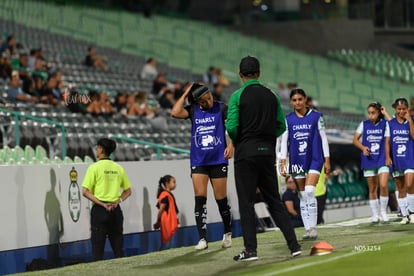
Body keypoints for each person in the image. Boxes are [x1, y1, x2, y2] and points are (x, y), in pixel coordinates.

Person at [226, 56, 301, 261]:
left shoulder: (237, 96)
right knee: (274, 201)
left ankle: (250, 251)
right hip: (267, 153)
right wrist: (266, 139)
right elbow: (281, 126)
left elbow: (231, 126)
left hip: (245, 154)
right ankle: (294, 246)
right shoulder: (272, 95)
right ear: (259, 73)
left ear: (240, 74)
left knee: (247, 203)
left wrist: (239, 139)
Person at [171, 82, 233, 250]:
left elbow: (233, 128)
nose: (210, 101)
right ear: (199, 101)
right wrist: (186, 93)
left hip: (218, 159)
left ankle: (227, 232)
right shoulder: (193, 110)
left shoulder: (221, 108)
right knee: (200, 199)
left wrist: (231, 145)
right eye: (205, 100)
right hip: (199, 161)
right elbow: (175, 112)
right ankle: (203, 239)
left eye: (210, 97)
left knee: (221, 200)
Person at [279, 88, 331, 240]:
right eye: (294, 100)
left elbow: (324, 139)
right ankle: (307, 229)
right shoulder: (288, 119)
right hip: (297, 160)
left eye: (300, 99)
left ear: (305, 99)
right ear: (291, 102)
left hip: (315, 158)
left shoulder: (316, 117)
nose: (297, 103)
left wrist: (327, 159)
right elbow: (284, 141)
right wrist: (283, 161)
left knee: (309, 191)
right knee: (302, 195)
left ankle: (313, 227)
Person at [82, 138, 132, 261]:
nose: (96, 150)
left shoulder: (94, 168)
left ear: (101, 149)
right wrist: (117, 201)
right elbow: (128, 191)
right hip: (115, 210)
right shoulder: (118, 168)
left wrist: (102, 204)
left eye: (97, 147)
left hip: (100, 210)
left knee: (98, 251)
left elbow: (85, 192)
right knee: (118, 250)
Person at [352, 102, 391, 223]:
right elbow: (354, 140)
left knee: (383, 185)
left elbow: (395, 125)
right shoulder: (364, 124)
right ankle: (375, 214)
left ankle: (383, 212)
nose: (370, 115)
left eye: (373, 112)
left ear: (379, 112)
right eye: (369, 113)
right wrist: (363, 148)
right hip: (369, 159)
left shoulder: (385, 124)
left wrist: (385, 113)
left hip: (382, 158)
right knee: (372, 188)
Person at [387, 98, 414, 224]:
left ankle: (412, 212)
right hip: (396, 159)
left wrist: (410, 121)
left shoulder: (412, 121)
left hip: (409, 158)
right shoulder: (390, 124)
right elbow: (387, 142)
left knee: (409, 185)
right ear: (395, 110)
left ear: (407, 109)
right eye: (399, 109)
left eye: (404, 108)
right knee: (400, 187)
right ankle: (404, 215)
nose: (402, 111)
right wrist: (387, 157)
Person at [153, 175, 179, 250]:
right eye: (173, 182)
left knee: (168, 243)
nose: (175, 184)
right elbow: (161, 209)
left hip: (168, 221)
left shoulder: (167, 194)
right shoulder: (165, 195)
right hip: (167, 222)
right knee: (166, 243)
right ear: (167, 184)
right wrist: (158, 221)